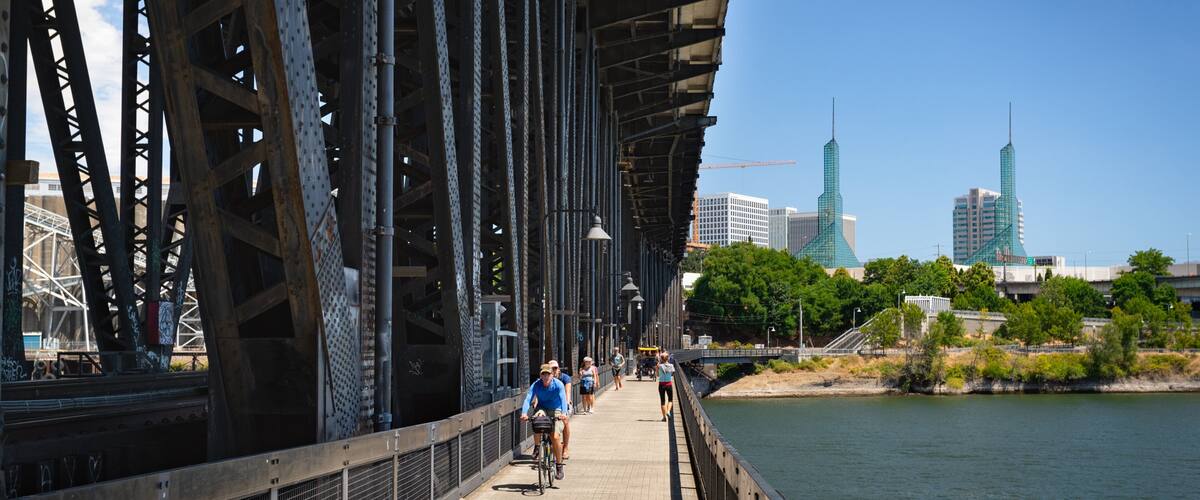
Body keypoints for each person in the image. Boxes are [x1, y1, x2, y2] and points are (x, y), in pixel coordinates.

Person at [521, 363, 569, 480]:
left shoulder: (558, 384)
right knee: (537, 420)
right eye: (544, 374)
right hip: (542, 408)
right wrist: (524, 413)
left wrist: (564, 413)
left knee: (555, 437)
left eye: (548, 374)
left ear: (552, 375)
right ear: (540, 375)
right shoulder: (536, 384)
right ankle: (537, 446)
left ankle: (559, 465)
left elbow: (563, 399)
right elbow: (528, 399)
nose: (546, 377)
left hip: (556, 409)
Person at [548, 360, 573, 460]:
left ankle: (565, 448)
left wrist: (566, 405)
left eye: (555, 368)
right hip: (550, 405)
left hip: (563, 404)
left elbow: (567, 392)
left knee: (565, 422)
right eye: (551, 369)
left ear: (558, 369)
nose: (553, 370)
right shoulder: (546, 377)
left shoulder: (564, 378)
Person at [655, 351, 675, 422]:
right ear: (668, 358)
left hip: (661, 385)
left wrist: (658, 368)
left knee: (662, 401)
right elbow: (672, 373)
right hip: (669, 384)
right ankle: (668, 411)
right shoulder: (671, 365)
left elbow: (657, 375)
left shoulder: (659, 366)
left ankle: (664, 417)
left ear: (661, 359)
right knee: (670, 400)